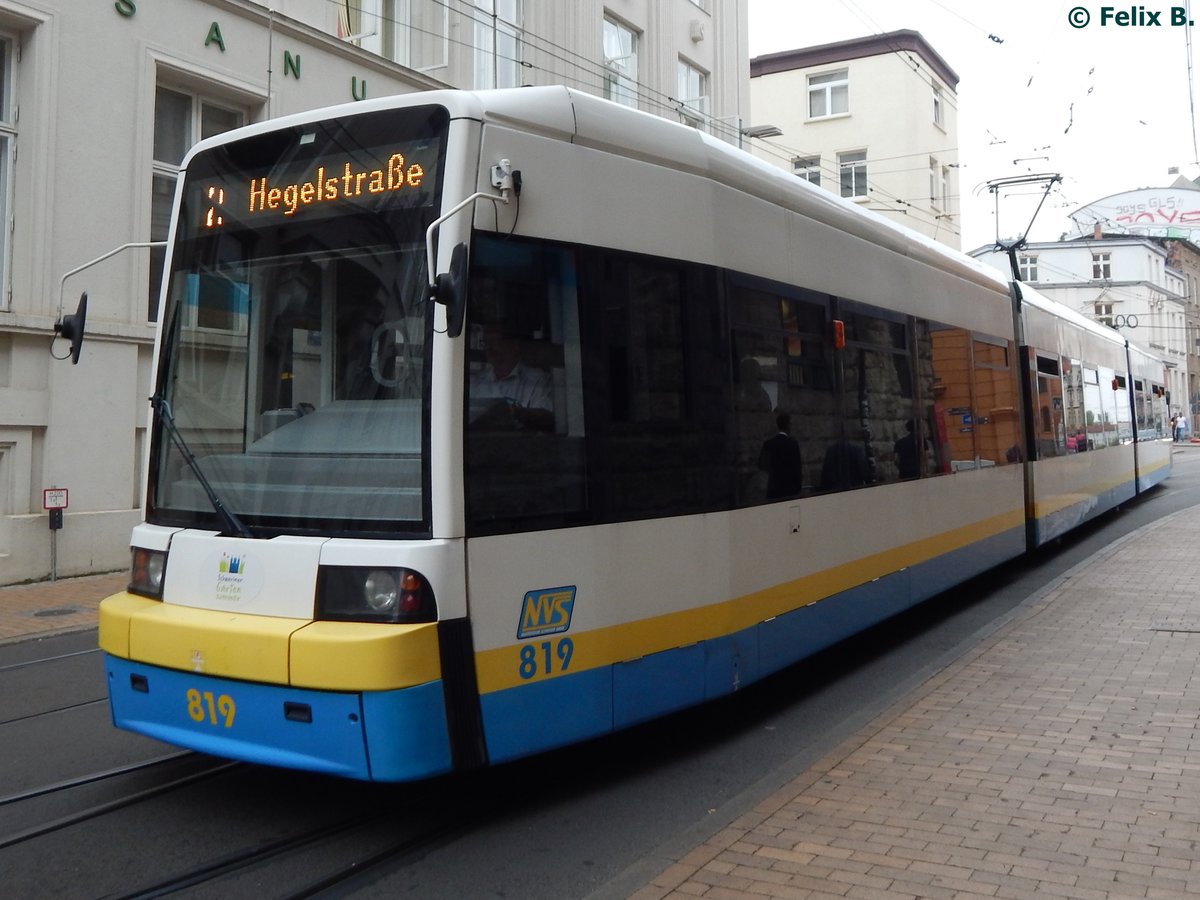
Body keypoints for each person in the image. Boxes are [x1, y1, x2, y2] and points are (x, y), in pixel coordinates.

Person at [470, 322, 554, 431]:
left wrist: (516, 413)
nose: (490, 348)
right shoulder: (476, 382)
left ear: (514, 344)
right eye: (486, 342)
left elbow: (545, 419)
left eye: (495, 341)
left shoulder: (538, 380)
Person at [758, 411, 803, 499]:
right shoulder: (793, 444)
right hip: (790, 489)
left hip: (773, 488)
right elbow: (797, 468)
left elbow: (762, 464)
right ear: (787, 425)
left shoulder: (768, 444)